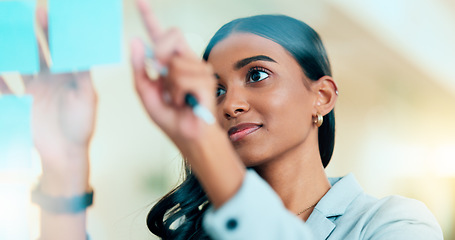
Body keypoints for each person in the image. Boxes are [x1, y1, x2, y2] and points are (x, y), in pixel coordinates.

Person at [13, 0, 442, 239]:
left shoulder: (394, 224)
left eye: (257, 75)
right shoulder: (199, 233)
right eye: (214, 89)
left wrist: (203, 143)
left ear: (322, 96)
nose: (229, 105)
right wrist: (65, 165)